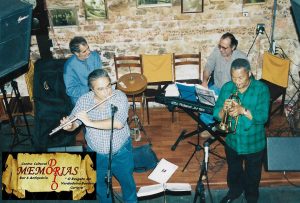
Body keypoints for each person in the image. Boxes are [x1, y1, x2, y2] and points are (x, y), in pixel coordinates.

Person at [60, 69, 137, 203]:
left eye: (108, 86)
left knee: (128, 184)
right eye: (101, 89)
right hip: (96, 153)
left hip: (121, 152)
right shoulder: (84, 100)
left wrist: (89, 122)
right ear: (92, 89)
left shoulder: (119, 96)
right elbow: (75, 122)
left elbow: (118, 123)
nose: (107, 91)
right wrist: (68, 126)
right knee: (101, 188)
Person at [213, 58, 270, 203]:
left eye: (240, 77)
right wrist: (223, 111)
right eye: (233, 77)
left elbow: (263, 117)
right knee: (234, 171)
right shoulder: (227, 88)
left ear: (249, 73)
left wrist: (242, 110)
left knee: (253, 174)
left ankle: (251, 197)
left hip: (254, 142)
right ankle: (234, 192)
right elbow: (215, 112)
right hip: (233, 141)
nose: (237, 81)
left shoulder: (261, 89)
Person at [64, 36, 102, 105]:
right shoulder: (69, 66)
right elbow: (70, 90)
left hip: (98, 92)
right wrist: (90, 89)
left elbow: (100, 74)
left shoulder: (95, 56)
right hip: (81, 98)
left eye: (88, 48)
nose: (89, 52)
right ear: (76, 53)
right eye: (84, 51)